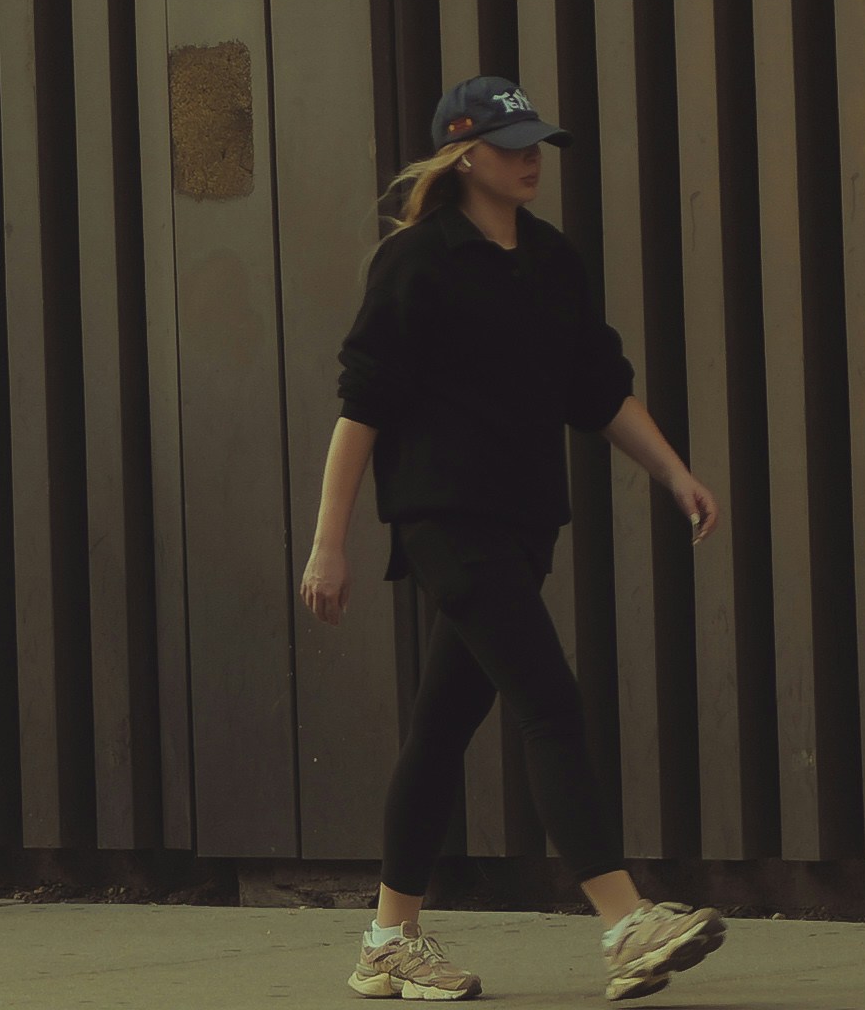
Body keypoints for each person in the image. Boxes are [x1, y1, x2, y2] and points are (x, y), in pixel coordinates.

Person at [298, 76, 724, 1005]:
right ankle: (625, 921)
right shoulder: (416, 263)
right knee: (550, 701)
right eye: (513, 141)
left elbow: (598, 388)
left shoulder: (551, 260)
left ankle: (387, 941)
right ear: (463, 154)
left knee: (441, 730)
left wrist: (674, 473)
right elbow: (360, 408)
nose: (532, 156)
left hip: (526, 524)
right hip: (448, 522)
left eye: (539, 140)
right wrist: (328, 544)